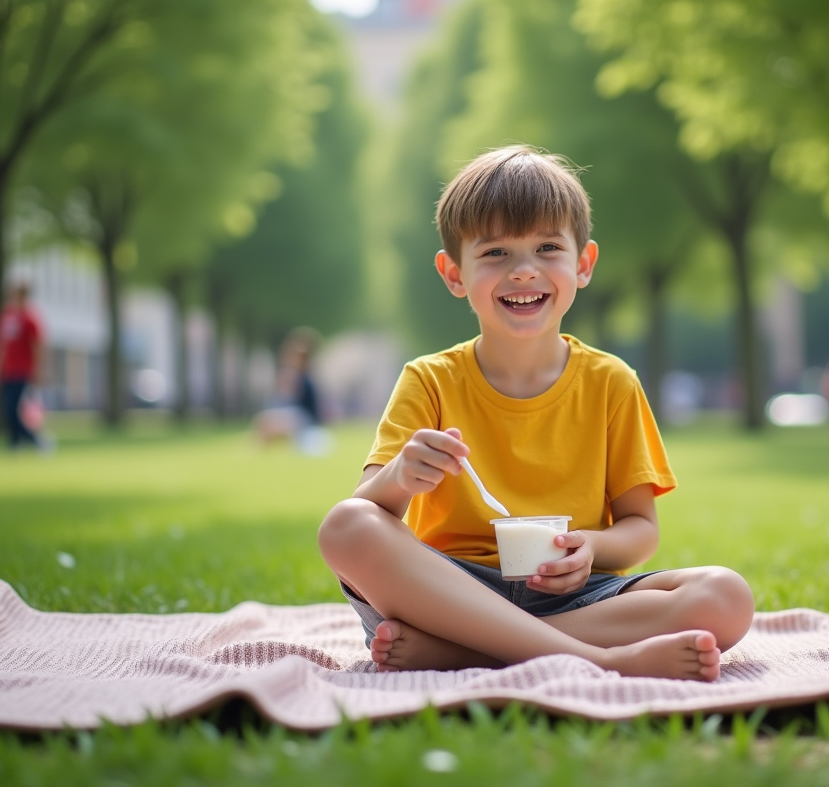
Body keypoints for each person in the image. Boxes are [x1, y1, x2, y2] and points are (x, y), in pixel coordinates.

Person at [318, 145, 754, 682]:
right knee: (345, 524)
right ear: (454, 274)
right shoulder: (428, 380)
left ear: (583, 264)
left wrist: (588, 548)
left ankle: (464, 652)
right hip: (449, 592)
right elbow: (369, 512)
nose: (524, 272)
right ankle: (599, 659)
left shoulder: (611, 383)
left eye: (548, 248)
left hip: (579, 596)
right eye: (496, 253)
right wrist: (400, 476)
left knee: (726, 595)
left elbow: (641, 528)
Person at [0, 281, 50, 451]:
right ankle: (16, 441)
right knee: (6, 409)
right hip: (6, 371)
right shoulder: (6, 318)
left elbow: (38, 346)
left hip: (22, 371)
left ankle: (34, 439)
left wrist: (40, 370)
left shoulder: (30, 319)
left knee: (13, 408)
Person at [253, 328, 330, 455]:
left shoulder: (301, 379)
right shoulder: (298, 377)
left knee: (267, 422)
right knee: (266, 422)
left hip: (305, 419)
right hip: (296, 415)